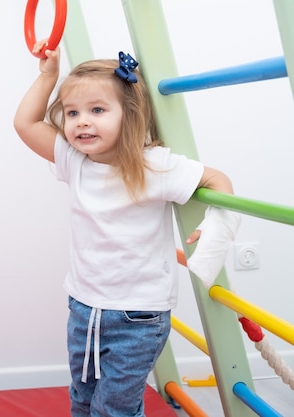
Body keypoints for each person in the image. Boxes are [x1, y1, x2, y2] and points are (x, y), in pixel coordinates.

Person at [13, 43, 240, 417]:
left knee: (114, 408)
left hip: (138, 316)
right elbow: (25, 123)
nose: (82, 121)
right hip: (85, 307)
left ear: (129, 114)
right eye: (72, 113)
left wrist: (216, 223)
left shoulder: (153, 165)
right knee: (82, 401)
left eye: (97, 110)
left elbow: (218, 179)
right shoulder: (75, 161)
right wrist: (48, 77)